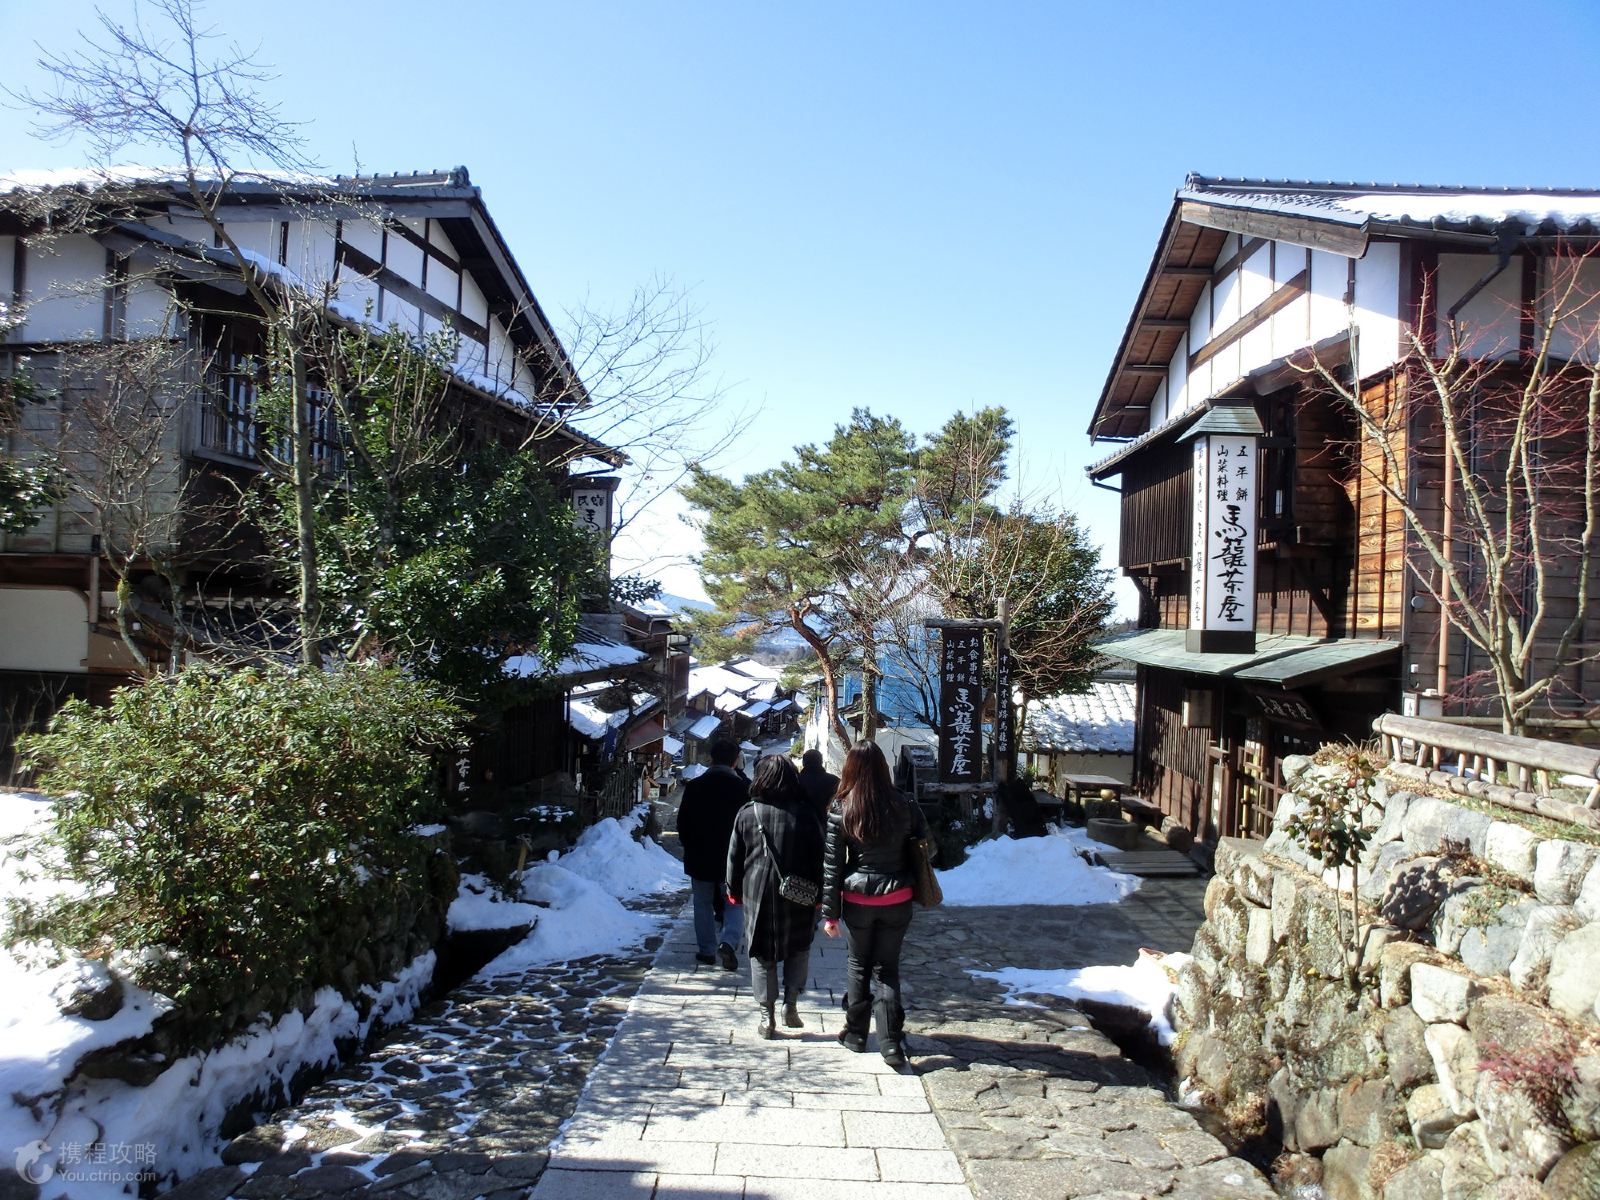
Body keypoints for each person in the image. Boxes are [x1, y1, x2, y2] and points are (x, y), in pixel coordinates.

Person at [821, 741, 932, 1069]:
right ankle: (890, 1044)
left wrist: (830, 914)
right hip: (897, 897)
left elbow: (832, 866)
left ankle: (856, 1034)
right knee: (888, 969)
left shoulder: (842, 807)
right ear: (884, 767)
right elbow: (930, 847)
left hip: (858, 899)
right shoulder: (905, 803)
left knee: (858, 966)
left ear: (850, 768)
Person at [726, 754, 825, 1038]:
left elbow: (734, 857)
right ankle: (790, 1005)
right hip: (800, 892)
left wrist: (733, 891)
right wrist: (822, 895)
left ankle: (766, 1015)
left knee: (761, 953)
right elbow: (821, 857)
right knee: (799, 948)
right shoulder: (807, 814)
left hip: (757, 892)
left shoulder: (747, 813)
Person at [674, 737, 748, 970]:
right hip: (734, 858)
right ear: (735, 761)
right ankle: (729, 941)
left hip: (700, 856)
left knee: (703, 904)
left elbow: (683, 823)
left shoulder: (695, 786)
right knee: (734, 902)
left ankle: (706, 950)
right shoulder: (744, 789)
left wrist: (690, 846)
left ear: (711, 759)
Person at [797, 748, 839, 816]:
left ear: (803, 762)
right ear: (821, 761)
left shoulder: (795, 780)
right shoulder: (834, 781)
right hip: (826, 822)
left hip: (800, 822)